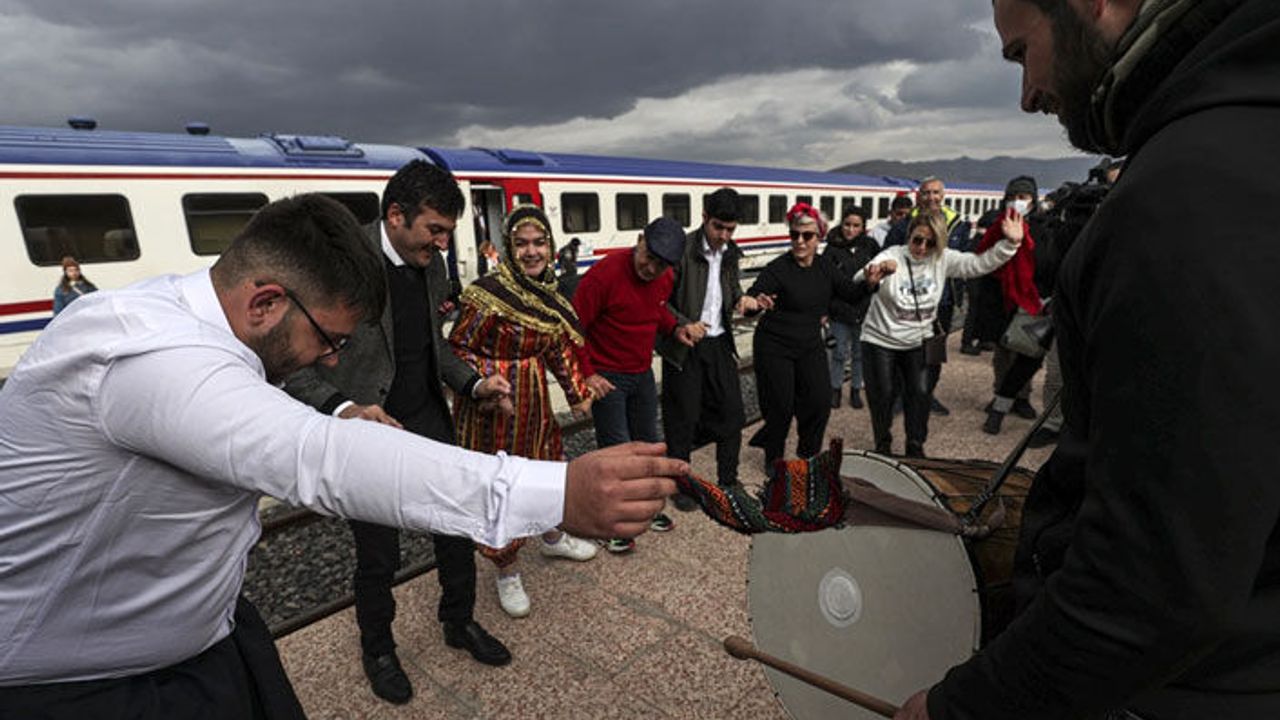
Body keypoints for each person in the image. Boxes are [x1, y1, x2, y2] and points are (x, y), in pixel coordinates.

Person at [0, 192, 686, 719]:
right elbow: (323, 462)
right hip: (86, 689)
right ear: (267, 301)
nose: (330, 359)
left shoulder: (197, 311)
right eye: (329, 340)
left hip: (202, 637)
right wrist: (558, 493)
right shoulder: (151, 358)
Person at [896, 0, 1280, 718]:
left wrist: (961, 708)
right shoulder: (1251, 130)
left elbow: (1155, 585)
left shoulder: (1189, 190)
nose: (1028, 93)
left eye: (1021, 53)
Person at [283, 161, 518, 704]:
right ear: (395, 216)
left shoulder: (429, 263)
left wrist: (475, 384)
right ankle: (379, 649)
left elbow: (431, 349)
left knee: (456, 530)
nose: (441, 244)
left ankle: (458, 622)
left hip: (430, 420)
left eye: (446, 233)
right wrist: (343, 407)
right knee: (378, 555)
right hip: (370, 433)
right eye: (434, 230)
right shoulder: (337, 264)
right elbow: (291, 363)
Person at [449, 205, 599, 619]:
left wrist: (577, 392)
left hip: (533, 400)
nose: (532, 252)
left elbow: (556, 348)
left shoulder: (548, 294)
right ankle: (505, 567)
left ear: (550, 246)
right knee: (502, 481)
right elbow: (458, 347)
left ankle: (550, 536)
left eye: (539, 243)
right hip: (493, 404)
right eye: (521, 244)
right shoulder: (487, 294)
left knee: (545, 466)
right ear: (508, 250)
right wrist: (486, 386)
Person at [573, 216, 700, 553]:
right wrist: (587, 374)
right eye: (649, 257)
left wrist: (675, 328)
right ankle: (612, 523)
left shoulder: (664, 277)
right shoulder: (604, 275)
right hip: (608, 378)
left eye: (661, 264)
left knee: (648, 447)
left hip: (642, 373)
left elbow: (655, 311)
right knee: (616, 454)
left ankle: (645, 510)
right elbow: (572, 329)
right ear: (640, 239)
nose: (652, 268)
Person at [858, 209, 1018, 458]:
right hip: (881, 339)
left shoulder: (942, 259)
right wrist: (875, 273)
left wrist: (1010, 244)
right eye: (917, 240)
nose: (922, 247)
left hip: (919, 340)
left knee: (921, 392)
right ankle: (883, 440)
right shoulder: (893, 256)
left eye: (930, 243)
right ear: (908, 236)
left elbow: (978, 264)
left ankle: (915, 444)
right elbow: (862, 275)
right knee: (883, 395)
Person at [745, 203, 875, 469]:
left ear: (820, 237)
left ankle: (807, 455)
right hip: (774, 345)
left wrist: (871, 283)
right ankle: (774, 459)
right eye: (795, 235)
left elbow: (850, 293)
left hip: (808, 343)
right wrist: (752, 302)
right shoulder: (778, 268)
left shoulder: (825, 267)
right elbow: (756, 294)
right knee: (780, 406)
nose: (800, 241)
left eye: (808, 236)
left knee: (818, 402)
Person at [658, 188, 760, 500]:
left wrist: (741, 299)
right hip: (684, 346)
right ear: (704, 219)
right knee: (682, 418)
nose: (724, 235)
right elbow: (658, 300)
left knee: (732, 414)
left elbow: (728, 290)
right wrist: (680, 324)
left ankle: (728, 480)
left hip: (718, 343)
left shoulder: (729, 252)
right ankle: (683, 486)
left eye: (731, 229)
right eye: (718, 227)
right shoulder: (681, 251)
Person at [885, 178, 974, 416]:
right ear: (918, 196)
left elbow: (965, 259)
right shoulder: (903, 226)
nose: (931, 197)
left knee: (934, 354)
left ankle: (926, 395)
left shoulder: (958, 224)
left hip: (942, 302)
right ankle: (900, 396)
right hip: (908, 300)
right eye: (926, 193)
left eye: (936, 192)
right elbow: (886, 255)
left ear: (943, 195)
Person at [822, 206, 880, 409]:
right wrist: (824, 311)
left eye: (856, 225)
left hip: (864, 310)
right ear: (841, 224)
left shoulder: (871, 246)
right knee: (838, 353)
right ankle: (835, 389)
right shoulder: (832, 249)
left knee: (859, 354)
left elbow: (879, 275)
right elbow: (825, 282)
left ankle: (856, 389)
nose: (850, 229)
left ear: (863, 227)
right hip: (839, 310)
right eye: (847, 224)